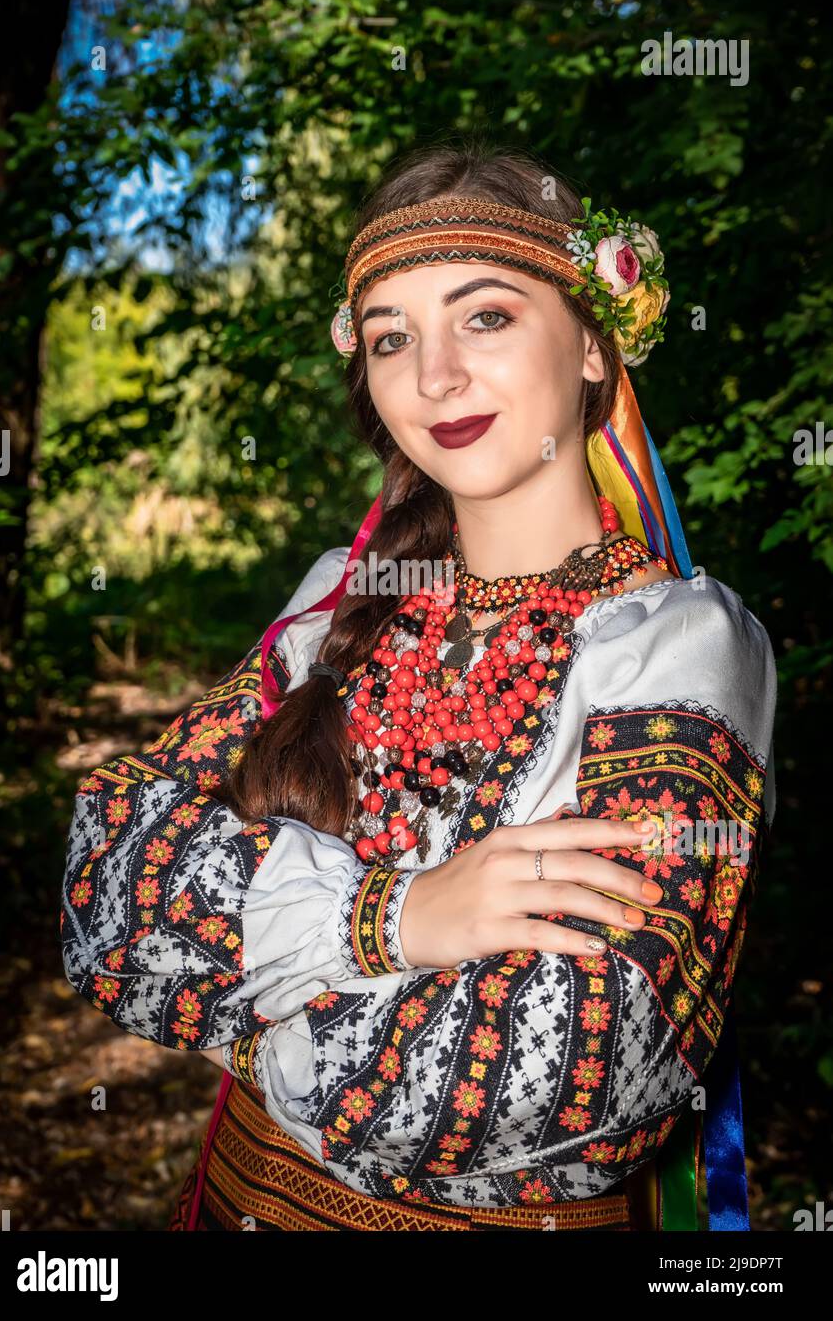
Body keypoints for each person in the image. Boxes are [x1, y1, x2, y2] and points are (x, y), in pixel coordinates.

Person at [60, 143, 777, 1232]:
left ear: (592, 344)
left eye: (482, 316)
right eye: (391, 336)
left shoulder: (676, 646)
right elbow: (102, 874)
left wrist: (242, 997)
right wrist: (388, 918)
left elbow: (594, 1073)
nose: (432, 375)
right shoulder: (342, 602)